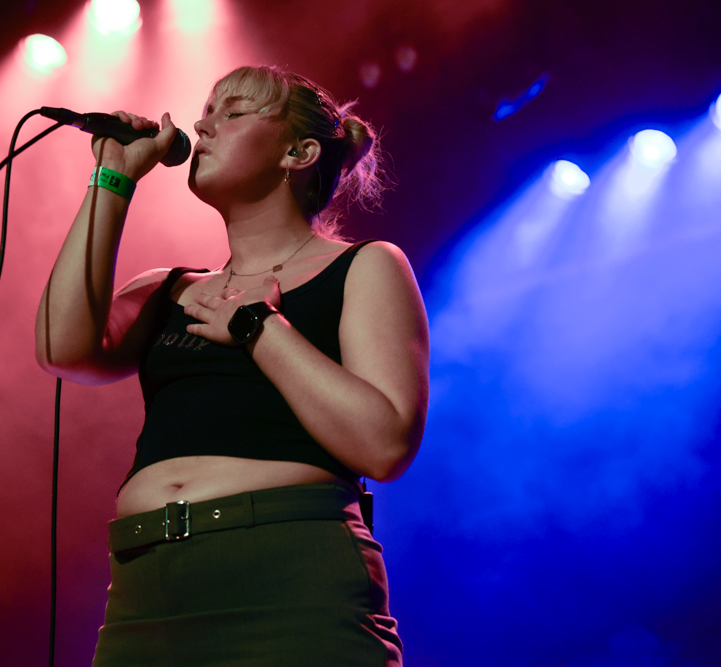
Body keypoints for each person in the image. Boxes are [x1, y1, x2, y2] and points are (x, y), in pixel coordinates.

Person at [35, 65, 429, 667]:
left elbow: (385, 444)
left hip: (289, 575)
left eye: (233, 112)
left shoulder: (366, 265)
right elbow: (61, 348)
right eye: (206, 112)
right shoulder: (168, 288)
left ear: (298, 153)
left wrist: (258, 328)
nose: (201, 126)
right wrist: (113, 176)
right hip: (148, 586)